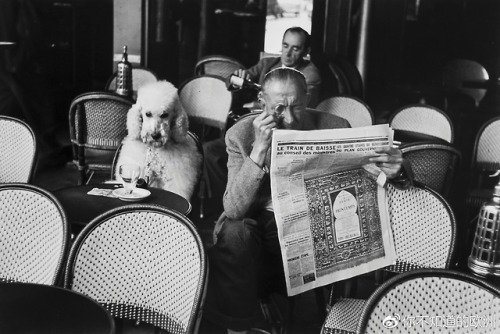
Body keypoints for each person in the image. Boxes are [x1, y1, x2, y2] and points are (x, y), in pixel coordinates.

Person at [204, 68, 411, 333]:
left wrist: (396, 170)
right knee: (235, 231)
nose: (289, 118)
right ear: (261, 101)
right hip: (264, 224)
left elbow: (366, 180)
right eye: (279, 108)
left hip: (318, 223)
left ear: (308, 97)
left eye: (297, 106)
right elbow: (234, 208)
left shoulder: (335, 126)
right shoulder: (240, 134)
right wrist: (258, 150)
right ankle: (238, 329)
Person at [202, 26, 321, 216]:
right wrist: (237, 78)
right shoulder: (267, 64)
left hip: (285, 136)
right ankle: (224, 203)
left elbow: (299, 112)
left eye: (296, 48)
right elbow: (232, 81)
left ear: (306, 52)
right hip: (254, 129)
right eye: (285, 46)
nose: (288, 53)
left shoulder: (309, 75)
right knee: (211, 151)